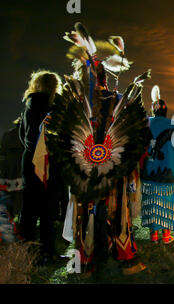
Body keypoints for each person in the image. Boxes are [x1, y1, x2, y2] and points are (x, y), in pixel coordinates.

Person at [41, 23, 151, 275]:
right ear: (103, 77)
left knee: (86, 213)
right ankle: (125, 260)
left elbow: (53, 137)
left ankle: (87, 262)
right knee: (116, 212)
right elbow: (139, 134)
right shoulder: (115, 100)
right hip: (113, 170)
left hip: (84, 172)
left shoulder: (74, 104)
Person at [19, 70, 62, 263]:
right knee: (48, 209)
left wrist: (32, 149)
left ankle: (26, 251)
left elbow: (23, 134)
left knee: (29, 208)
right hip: (51, 161)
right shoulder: (57, 107)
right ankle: (47, 251)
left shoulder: (29, 104)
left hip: (30, 160)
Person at [141, 93, 174, 244]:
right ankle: (166, 236)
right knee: (168, 201)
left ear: (154, 110)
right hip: (170, 171)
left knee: (152, 201)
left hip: (149, 170)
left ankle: (153, 235)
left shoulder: (145, 123)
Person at [0, 117, 24, 218]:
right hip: (19, 168)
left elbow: (3, 149)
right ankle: (16, 214)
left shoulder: (7, 135)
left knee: (9, 193)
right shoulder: (24, 135)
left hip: (8, 169)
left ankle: (10, 214)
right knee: (19, 194)